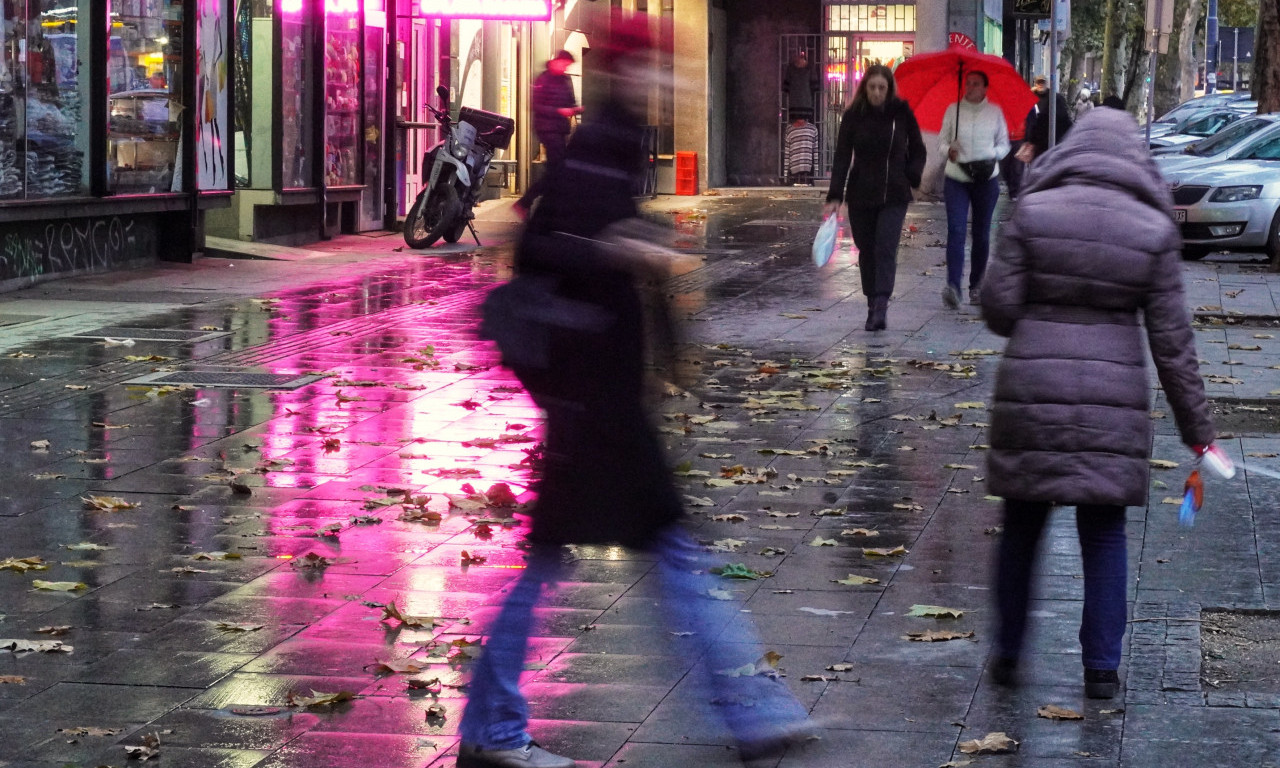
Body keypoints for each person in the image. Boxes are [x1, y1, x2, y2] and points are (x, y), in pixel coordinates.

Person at [461, 15, 815, 768]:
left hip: (603, 397)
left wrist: (640, 247)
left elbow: (560, 236)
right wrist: (618, 247)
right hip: (592, 403)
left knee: (608, 555)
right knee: (648, 551)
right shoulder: (599, 148)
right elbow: (539, 246)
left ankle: (494, 725)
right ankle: (750, 712)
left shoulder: (620, 149)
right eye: (658, 72)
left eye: (671, 73)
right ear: (626, 75)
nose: (669, 85)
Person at [979, 107, 1218, 701]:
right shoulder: (1152, 229)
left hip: (1031, 395)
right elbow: (1172, 342)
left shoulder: (1032, 208)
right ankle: (1102, 668)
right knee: (1105, 533)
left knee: (1022, 526)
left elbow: (998, 309)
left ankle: (1009, 651)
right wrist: (1198, 431)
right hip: (1112, 403)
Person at [823, 64, 926, 332]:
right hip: (861, 194)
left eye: (882, 87)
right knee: (866, 249)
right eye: (872, 87)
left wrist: (912, 177)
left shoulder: (901, 113)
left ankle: (881, 306)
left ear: (889, 89)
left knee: (885, 246)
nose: (877, 93)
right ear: (864, 89)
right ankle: (871, 301)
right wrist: (835, 195)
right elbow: (843, 156)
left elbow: (918, 149)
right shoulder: (853, 116)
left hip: (894, 193)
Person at [940, 70, 1009, 309]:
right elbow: (941, 142)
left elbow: (1004, 145)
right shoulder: (953, 110)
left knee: (980, 234)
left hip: (986, 179)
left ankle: (976, 285)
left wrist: (992, 155)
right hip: (957, 177)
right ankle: (953, 287)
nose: (969, 87)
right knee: (956, 230)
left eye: (975, 84)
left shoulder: (994, 113)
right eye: (967, 83)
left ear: (984, 88)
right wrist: (948, 150)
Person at [514, 50, 582, 218]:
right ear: (557, 61)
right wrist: (560, 111)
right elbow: (536, 105)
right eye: (564, 65)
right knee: (558, 169)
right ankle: (527, 203)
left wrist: (574, 108)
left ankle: (532, 204)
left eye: (568, 66)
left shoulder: (566, 80)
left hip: (560, 129)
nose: (565, 68)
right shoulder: (543, 79)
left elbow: (571, 100)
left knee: (556, 170)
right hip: (547, 128)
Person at [1021, 74, 1072, 162]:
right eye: (1038, 82)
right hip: (1038, 141)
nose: (1041, 84)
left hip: (1049, 140)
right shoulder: (1029, 97)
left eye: (1042, 82)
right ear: (1035, 84)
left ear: (1046, 83)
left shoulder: (1055, 98)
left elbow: (1064, 120)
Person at [782, 50, 820, 122]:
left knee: (794, 124)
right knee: (806, 123)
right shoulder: (810, 68)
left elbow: (786, 87)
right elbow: (815, 87)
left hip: (794, 102)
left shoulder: (791, 68)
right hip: (806, 101)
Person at [785, 116, 818, 185]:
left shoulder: (813, 129)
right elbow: (787, 152)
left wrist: (816, 172)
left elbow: (815, 151)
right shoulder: (789, 129)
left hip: (806, 167)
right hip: (795, 168)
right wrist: (785, 174)